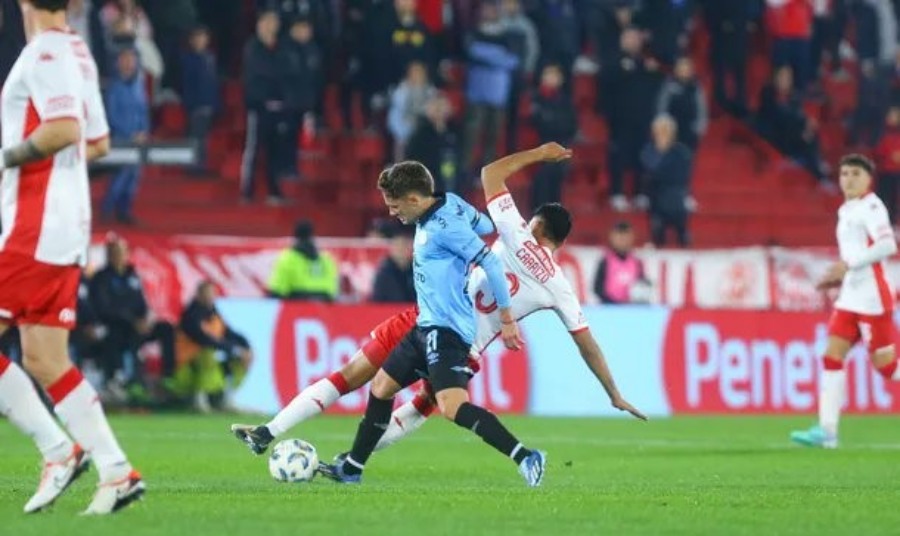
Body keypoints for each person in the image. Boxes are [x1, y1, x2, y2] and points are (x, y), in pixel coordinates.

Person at [231, 144, 645, 473]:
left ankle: (281, 435)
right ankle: (347, 460)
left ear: (536, 224)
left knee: (352, 377)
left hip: (425, 320)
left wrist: (539, 154)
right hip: (464, 344)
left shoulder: (514, 229)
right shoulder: (560, 287)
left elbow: (490, 175)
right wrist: (615, 393)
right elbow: (586, 344)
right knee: (415, 411)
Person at [0, 0, 143, 514]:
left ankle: (57, 450)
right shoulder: (78, 52)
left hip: (35, 228)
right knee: (43, 357)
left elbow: (63, 130)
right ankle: (115, 469)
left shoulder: (44, 54)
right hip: (63, 225)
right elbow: (99, 142)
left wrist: (5, 159)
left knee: (40, 356)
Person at [791, 154, 899, 449]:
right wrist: (841, 275)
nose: (848, 179)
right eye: (844, 174)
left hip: (873, 299)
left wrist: (848, 264)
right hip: (850, 296)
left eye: (855, 174)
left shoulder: (872, 207)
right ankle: (827, 432)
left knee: (887, 368)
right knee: (831, 354)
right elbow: (855, 256)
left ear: (868, 179)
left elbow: (887, 244)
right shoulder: (846, 210)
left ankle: (827, 431)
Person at [174, 281, 252, 412]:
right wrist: (234, 350)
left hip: (208, 362)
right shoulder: (191, 315)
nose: (211, 297)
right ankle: (200, 399)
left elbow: (228, 332)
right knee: (207, 354)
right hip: (185, 364)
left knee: (243, 358)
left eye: (213, 294)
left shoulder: (213, 312)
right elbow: (204, 340)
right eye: (208, 293)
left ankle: (227, 399)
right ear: (199, 295)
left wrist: (245, 347)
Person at [101, 46, 148, 224]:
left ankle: (125, 210)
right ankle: (107, 210)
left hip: (138, 138)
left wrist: (143, 131)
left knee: (133, 177)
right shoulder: (114, 87)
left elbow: (143, 111)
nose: (128, 63)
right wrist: (129, 134)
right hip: (121, 137)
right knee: (120, 175)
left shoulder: (138, 86)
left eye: (131, 59)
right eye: (124, 59)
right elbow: (112, 115)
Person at [267, 220, 340, 301]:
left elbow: (277, 289)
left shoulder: (288, 258)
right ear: (313, 235)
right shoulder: (326, 259)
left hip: (297, 304)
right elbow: (334, 289)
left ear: (295, 236)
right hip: (324, 304)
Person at [593, 221, 649, 304]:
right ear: (612, 237)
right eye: (620, 237)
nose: (623, 240)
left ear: (632, 238)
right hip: (609, 309)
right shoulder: (605, 261)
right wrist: (612, 303)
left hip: (631, 309)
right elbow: (597, 288)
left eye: (625, 237)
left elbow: (642, 285)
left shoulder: (637, 262)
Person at [370, 227, 416, 303]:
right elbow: (377, 299)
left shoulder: (415, 270)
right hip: (389, 311)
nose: (400, 249)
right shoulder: (384, 273)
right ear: (392, 248)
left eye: (404, 245)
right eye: (397, 246)